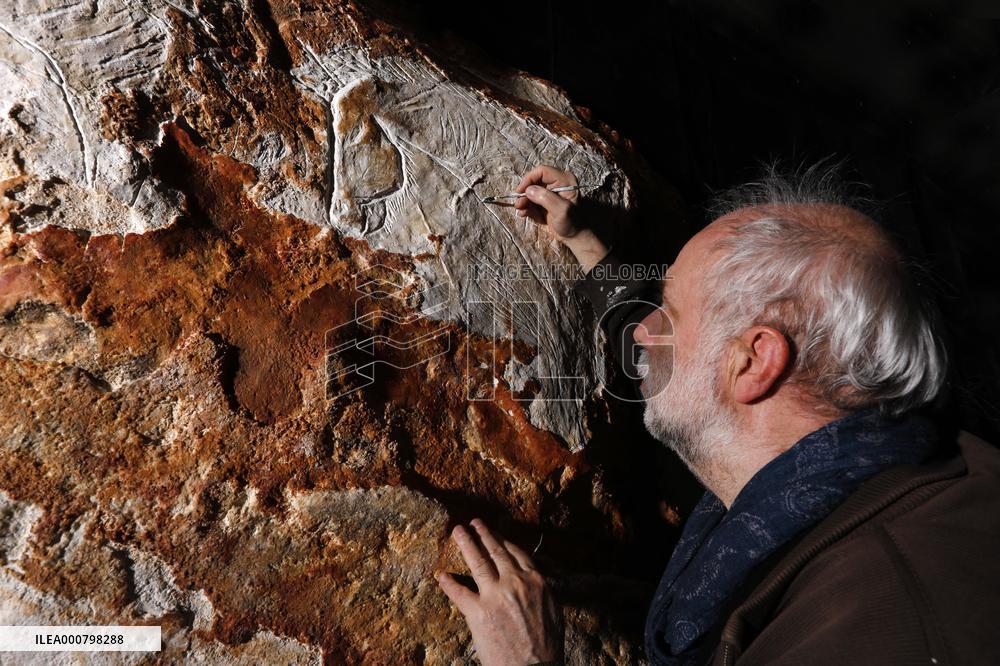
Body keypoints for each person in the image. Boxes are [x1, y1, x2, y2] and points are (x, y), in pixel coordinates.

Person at [435, 163, 1000, 665]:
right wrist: (587, 243)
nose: (646, 330)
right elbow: (663, 355)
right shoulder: (869, 455)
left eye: (671, 312)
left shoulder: (866, 632)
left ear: (755, 362)